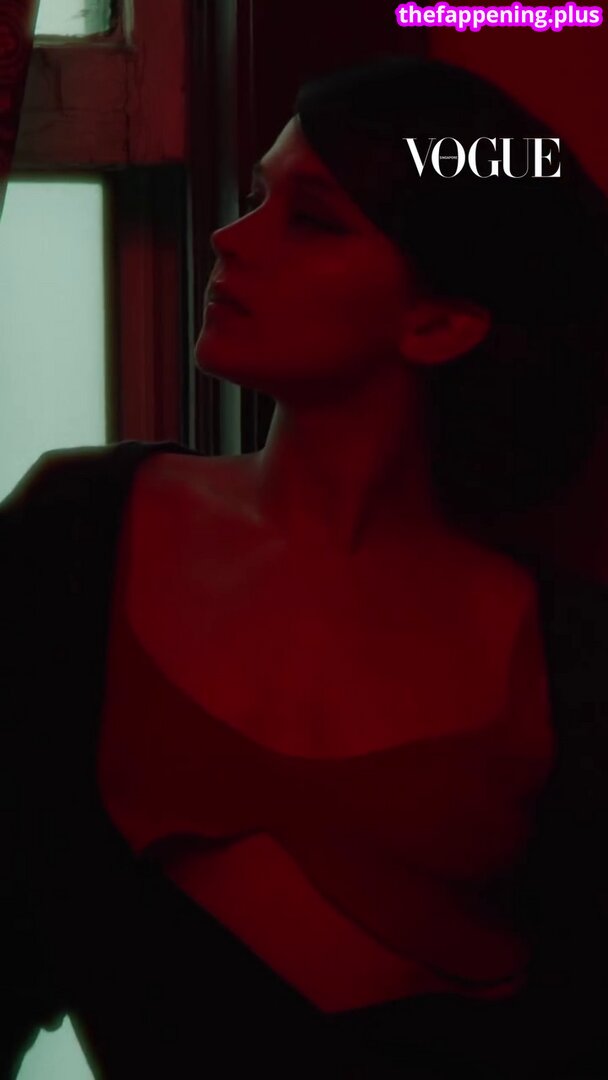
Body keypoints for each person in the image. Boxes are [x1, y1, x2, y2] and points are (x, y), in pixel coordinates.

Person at [2, 54, 608, 1079]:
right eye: (255, 198)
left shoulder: (565, 661)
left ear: (440, 321)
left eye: (313, 221)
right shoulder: (79, 532)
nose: (229, 239)